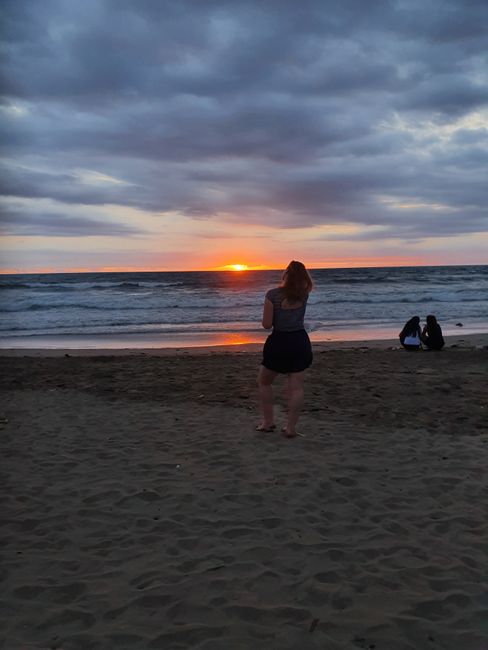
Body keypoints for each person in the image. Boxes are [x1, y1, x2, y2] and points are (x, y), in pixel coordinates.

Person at [256, 260, 313, 438]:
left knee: (264, 381)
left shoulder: (272, 295)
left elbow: (267, 324)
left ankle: (267, 422)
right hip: (299, 341)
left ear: (285, 275)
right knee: (296, 388)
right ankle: (291, 428)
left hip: (279, 342)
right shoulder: (304, 294)